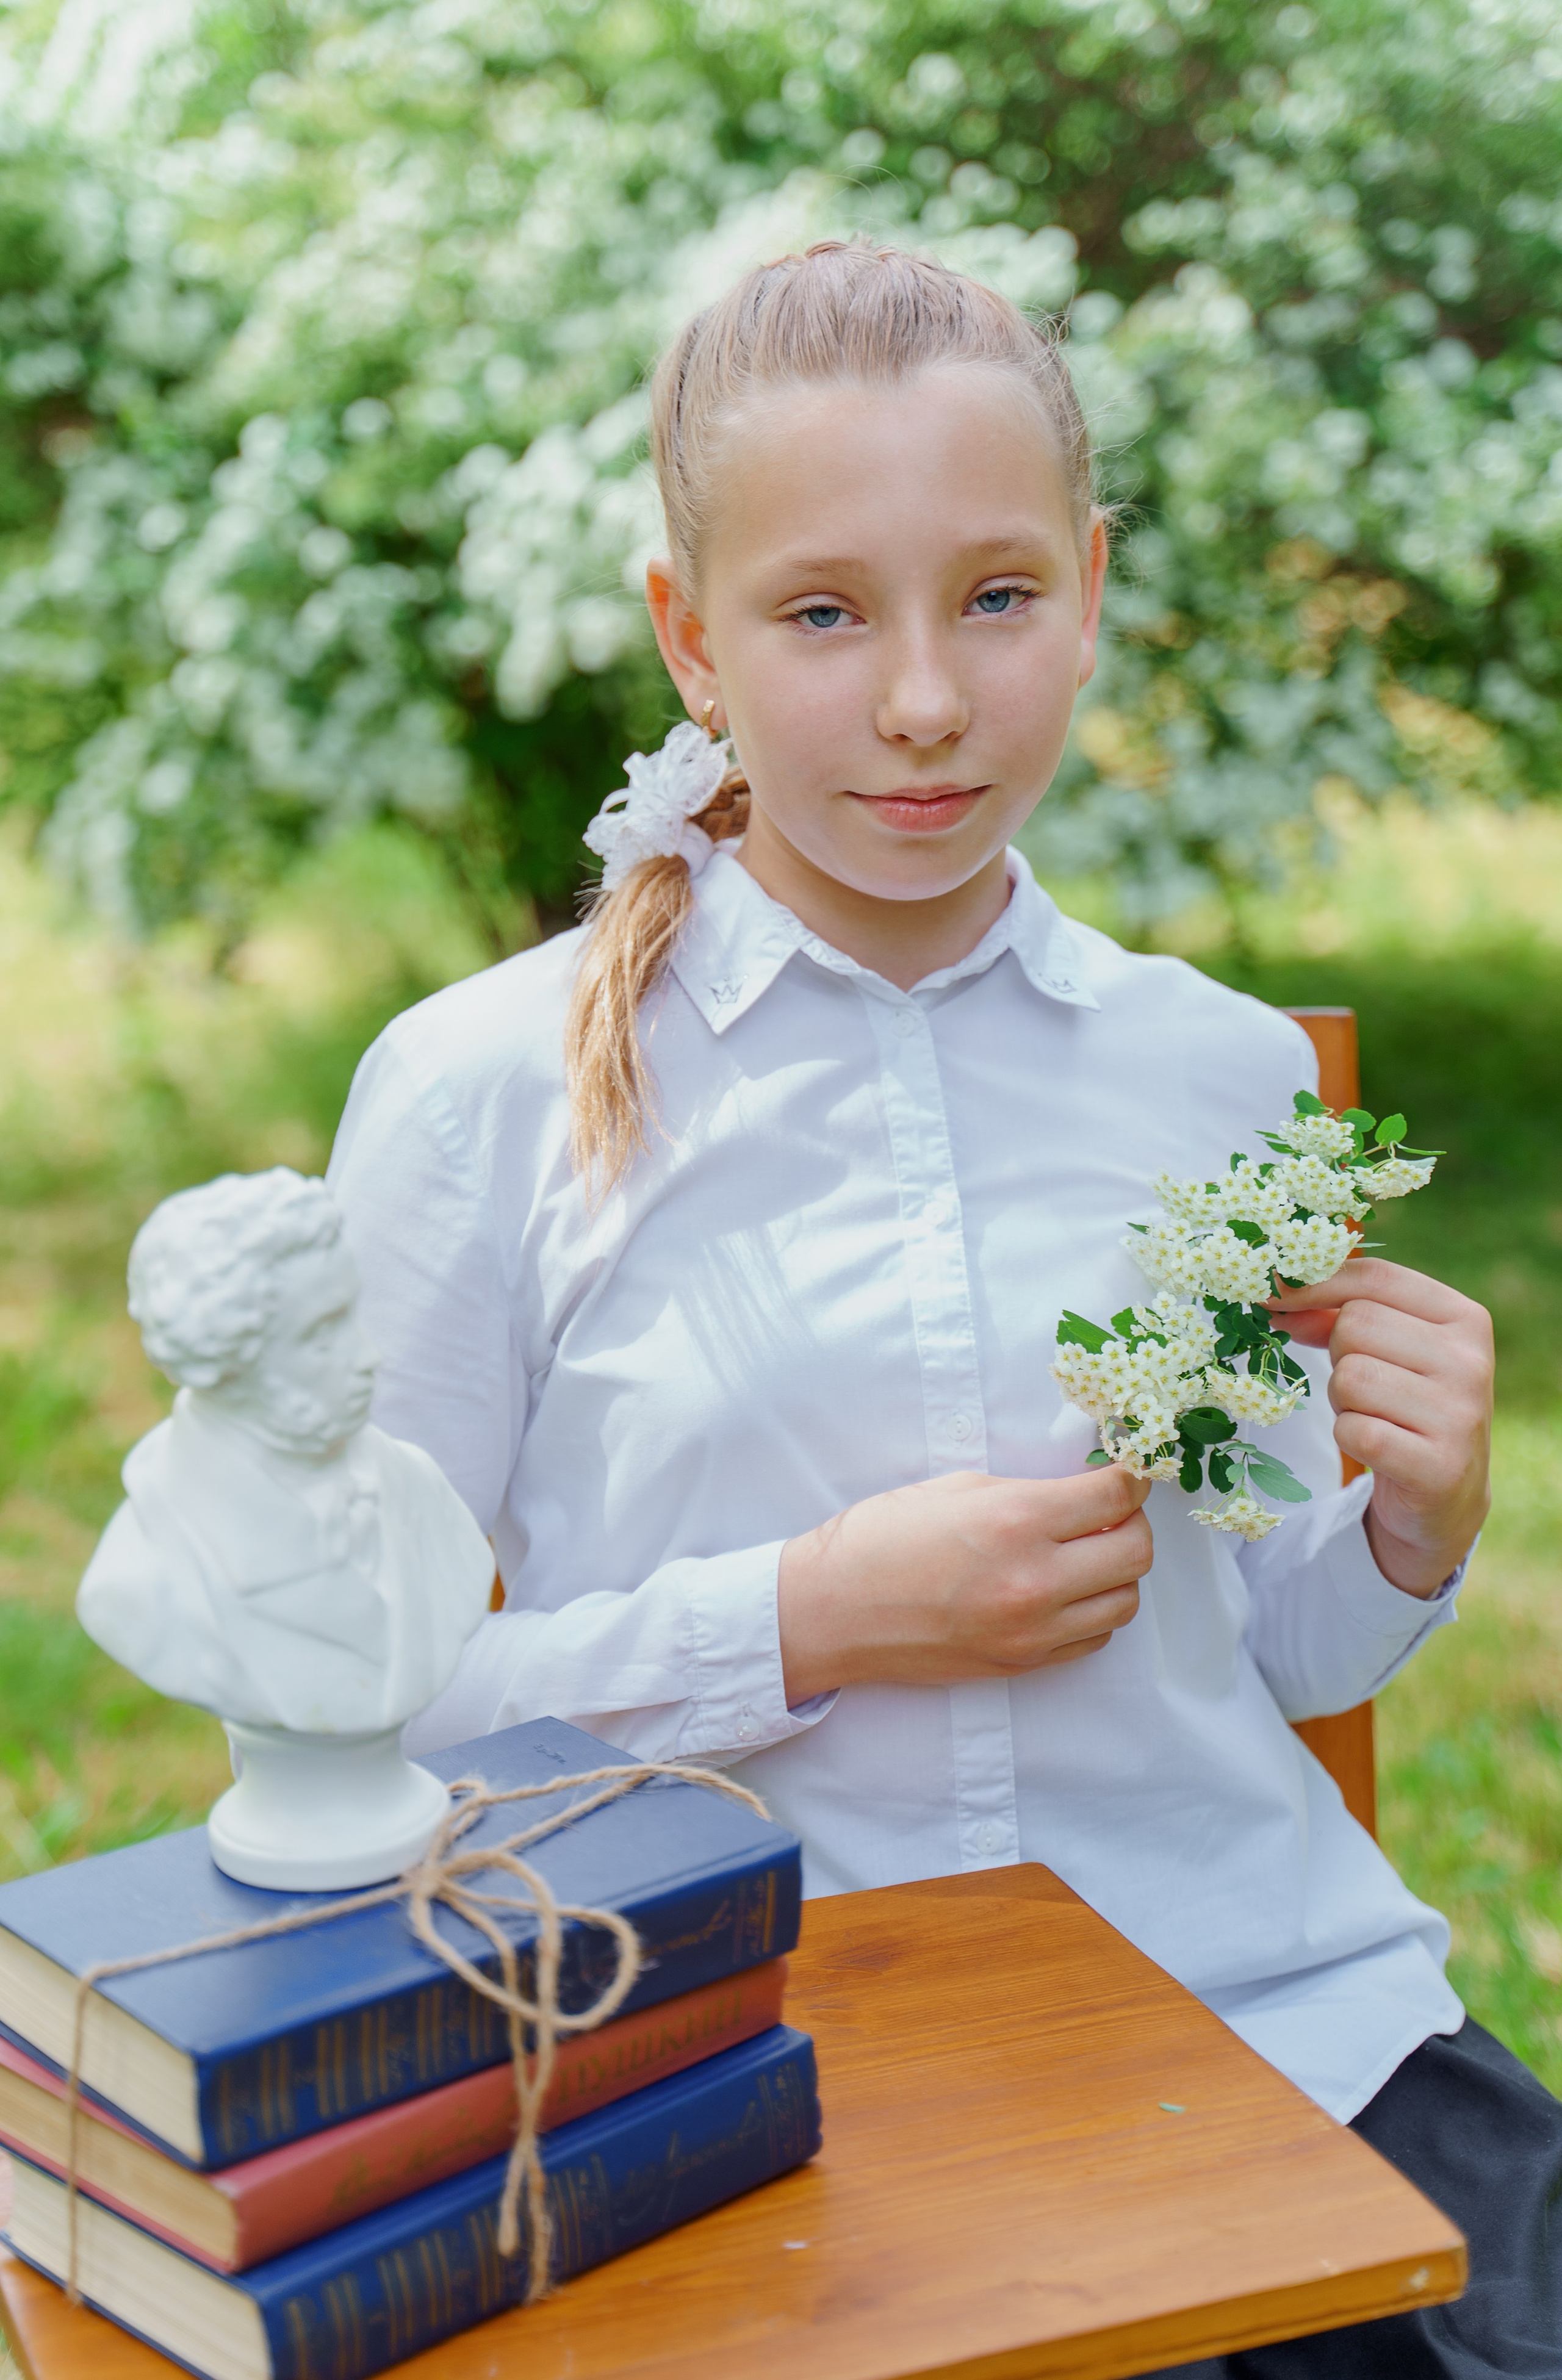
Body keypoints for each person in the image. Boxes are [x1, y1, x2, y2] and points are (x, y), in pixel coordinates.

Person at [325, 243, 1549, 2373]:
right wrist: (807, 1617)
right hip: (750, 2089)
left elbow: (1260, 1646)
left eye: (996, 598)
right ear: (688, 638)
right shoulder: (478, 1095)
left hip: (1270, 2032)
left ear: (1088, 590)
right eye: (822, 614)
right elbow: (362, 1708)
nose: (921, 700)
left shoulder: (1214, 1073)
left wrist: (1407, 1532)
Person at [78, 1167, 493, 1735]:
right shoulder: (139, 1577)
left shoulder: (414, 1485)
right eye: (322, 1334)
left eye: (352, 1314)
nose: (369, 1354)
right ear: (228, 1361)